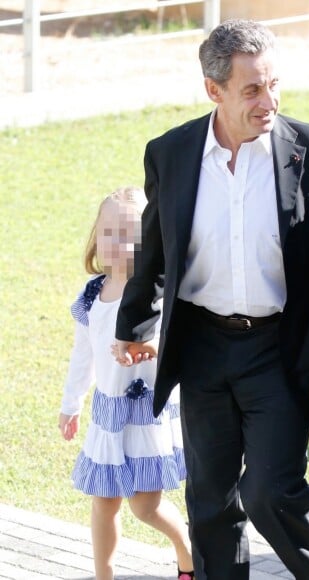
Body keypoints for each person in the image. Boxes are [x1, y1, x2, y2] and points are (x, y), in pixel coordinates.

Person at [114, 19, 309, 580]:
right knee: (210, 502)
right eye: (252, 89)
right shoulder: (171, 153)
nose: (269, 101)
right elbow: (158, 246)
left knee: (270, 490)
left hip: (279, 348)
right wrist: (134, 324)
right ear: (213, 90)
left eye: (274, 84)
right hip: (202, 348)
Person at [59, 186, 194, 580]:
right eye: (110, 232)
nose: (118, 243)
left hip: (146, 412)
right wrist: (71, 404)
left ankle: (187, 552)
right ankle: (105, 575)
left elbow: (179, 343)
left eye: (130, 233)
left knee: (145, 506)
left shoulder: (158, 292)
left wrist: (149, 347)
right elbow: (82, 356)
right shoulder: (91, 296)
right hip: (108, 413)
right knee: (104, 502)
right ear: (97, 237)